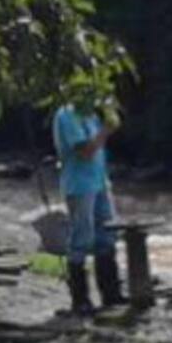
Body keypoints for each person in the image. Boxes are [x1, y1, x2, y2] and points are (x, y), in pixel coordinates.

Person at [52, 102, 125, 315]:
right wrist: (106, 131)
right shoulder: (67, 114)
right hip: (79, 185)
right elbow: (85, 152)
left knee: (108, 236)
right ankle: (80, 299)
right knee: (81, 239)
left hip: (99, 182)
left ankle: (111, 293)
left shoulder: (90, 113)